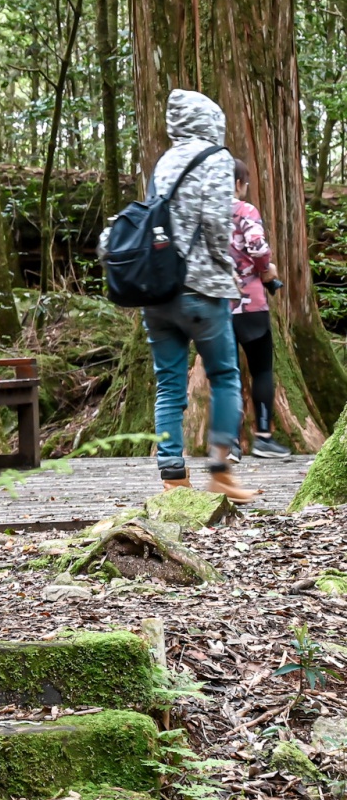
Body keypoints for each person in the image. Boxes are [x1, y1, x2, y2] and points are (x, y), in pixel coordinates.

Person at [128, 89, 260, 501]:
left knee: (168, 385)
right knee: (224, 376)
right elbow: (218, 223)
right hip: (202, 287)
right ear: (211, 123)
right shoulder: (217, 159)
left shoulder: (164, 160)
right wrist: (229, 271)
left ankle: (171, 475)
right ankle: (220, 467)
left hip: (156, 290)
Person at [230, 159, 290, 460]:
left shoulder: (203, 213)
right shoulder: (244, 210)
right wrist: (267, 271)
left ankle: (228, 441)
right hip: (250, 302)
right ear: (240, 183)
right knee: (262, 369)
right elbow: (257, 246)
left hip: (216, 305)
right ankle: (263, 437)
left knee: (225, 372)